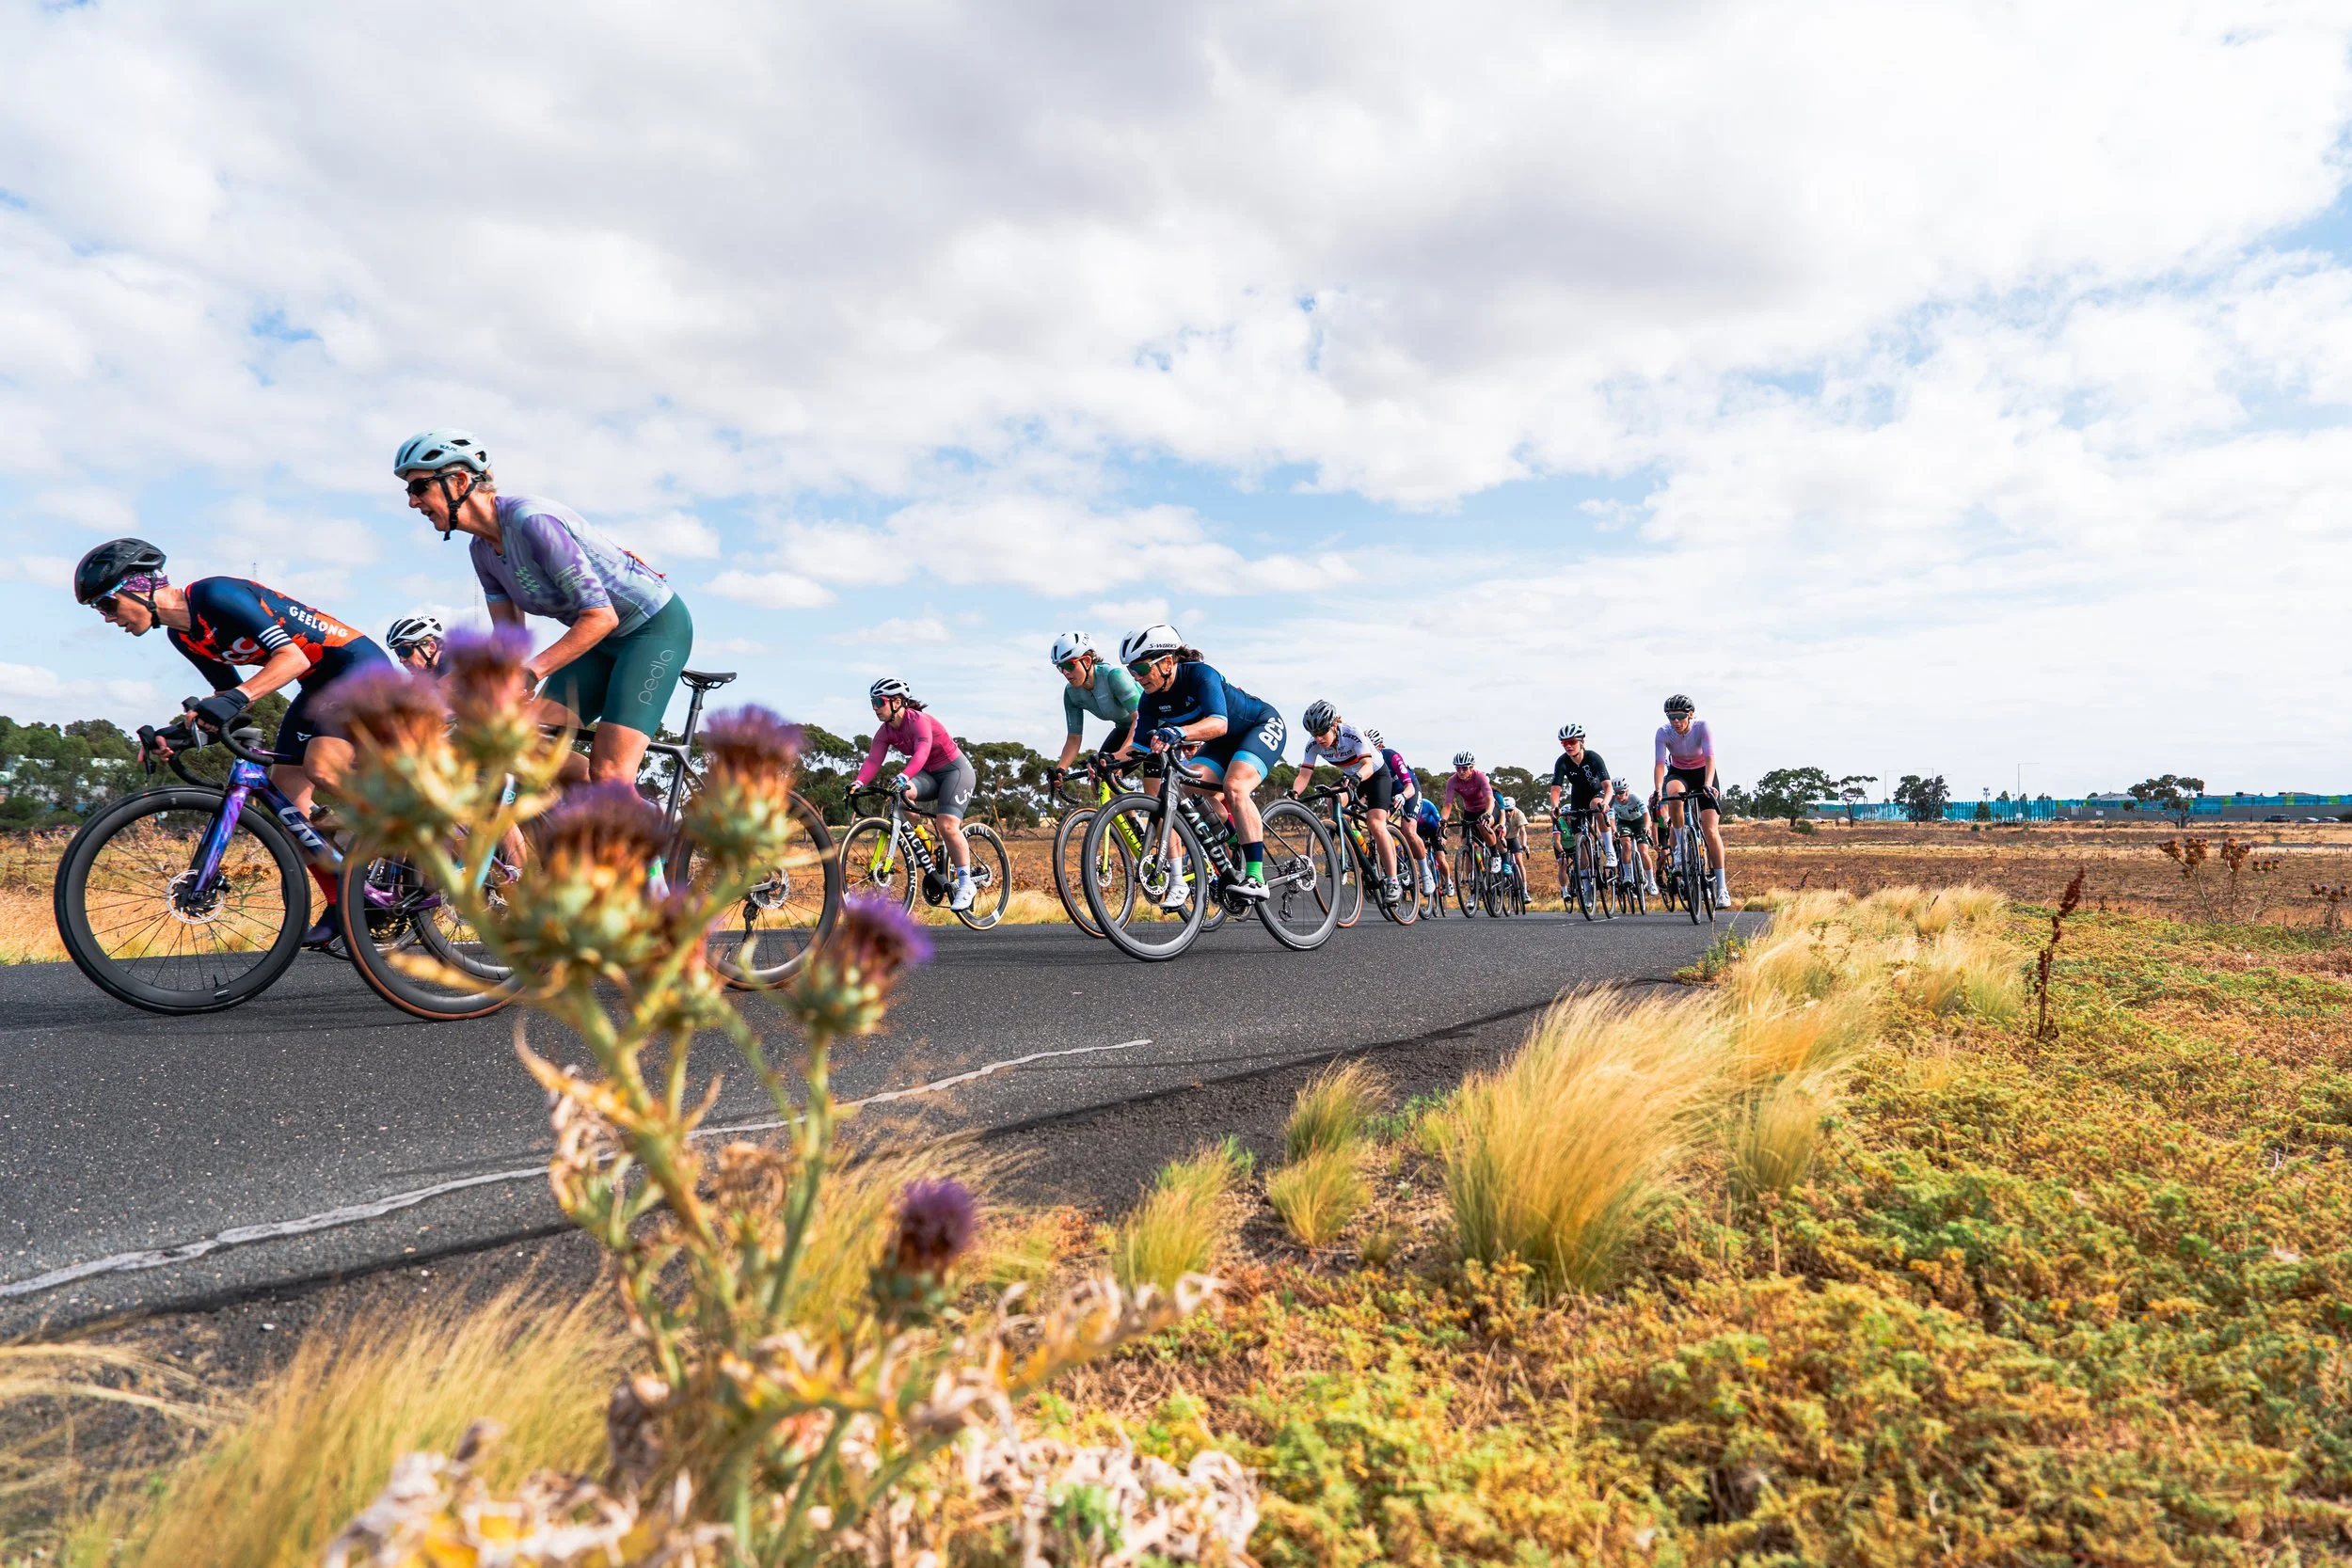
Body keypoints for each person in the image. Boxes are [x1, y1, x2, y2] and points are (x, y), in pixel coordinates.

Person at [73, 537, 393, 946]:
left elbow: (291, 660)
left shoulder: (215, 594)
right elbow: (233, 702)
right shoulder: (183, 637)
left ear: (137, 587)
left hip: (354, 663)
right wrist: (181, 733)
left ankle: (413, 829)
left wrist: (232, 701)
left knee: (321, 768)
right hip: (317, 682)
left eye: (106, 605)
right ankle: (345, 902)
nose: (105, 618)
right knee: (289, 801)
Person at [394, 429, 691, 788]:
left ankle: (651, 825)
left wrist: (531, 674)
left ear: (458, 481)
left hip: (651, 630)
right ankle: (594, 822)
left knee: (610, 771)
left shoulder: (531, 521)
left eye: (419, 488)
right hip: (597, 642)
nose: (413, 502)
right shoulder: (482, 551)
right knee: (529, 749)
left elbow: (602, 616)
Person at [1115, 624, 1285, 901]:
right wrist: (1108, 761)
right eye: (1131, 671)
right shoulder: (1148, 701)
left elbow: (1218, 723)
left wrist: (1179, 732)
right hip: (1222, 742)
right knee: (1185, 787)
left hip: (1258, 725)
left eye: (1142, 669)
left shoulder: (1200, 676)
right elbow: (1138, 747)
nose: (1137, 677)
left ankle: (1256, 876)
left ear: (1167, 662)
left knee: (1235, 786)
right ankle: (1232, 838)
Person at [856, 678, 979, 912]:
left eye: (878, 702)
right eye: (872, 702)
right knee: (901, 797)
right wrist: (858, 782)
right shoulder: (885, 732)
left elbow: (922, 753)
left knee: (947, 825)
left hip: (955, 772)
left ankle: (966, 884)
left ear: (897, 702)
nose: (874, 707)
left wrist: (904, 774)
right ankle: (922, 838)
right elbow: (873, 760)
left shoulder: (919, 721)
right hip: (929, 775)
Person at [1288, 701, 1403, 905]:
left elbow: (1367, 765)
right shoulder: (1313, 744)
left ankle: (1393, 881)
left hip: (1375, 775)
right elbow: (1304, 774)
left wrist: (1357, 777)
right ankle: (1347, 842)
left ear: (1333, 725)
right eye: (1314, 733)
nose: (1319, 738)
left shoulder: (1351, 733)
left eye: (1322, 731)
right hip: (1352, 776)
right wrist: (1295, 792)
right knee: (1332, 798)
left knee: (1375, 823)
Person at [1655, 693, 1731, 906]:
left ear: (1690, 715)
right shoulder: (1663, 733)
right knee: (1673, 793)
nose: (1676, 722)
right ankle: (1680, 849)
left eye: (1680, 716)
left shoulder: (1702, 727)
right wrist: (1657, 790)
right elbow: (1660, 764)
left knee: (1710, 831)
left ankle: (1722, 888)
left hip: (1703, 773)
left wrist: (1708, 784)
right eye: (1671, 717)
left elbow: (1710, 758)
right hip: (1680, 773)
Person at [1046, 631, 1139, 785]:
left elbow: (1139, 718)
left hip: (1153, 726)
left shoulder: (1114, 676)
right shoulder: (1071, 693)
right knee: (1099, 783)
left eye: (1070, 665)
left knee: (1147, 788)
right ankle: (1126, 810)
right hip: (1124, 729)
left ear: (1087, 661)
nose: (1065, 672)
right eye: (1060, 667)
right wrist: (1061, 770)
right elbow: (1074, 738)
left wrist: (1119, 757)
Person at [1364, 728, 1435, 895]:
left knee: (1409, 830)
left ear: (1380, 746)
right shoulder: (1366, 762)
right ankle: (1395, 863)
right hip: (1386, 793)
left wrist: (1403, 795)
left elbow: (1409, 786)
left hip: (1407, 790)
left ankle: (1425, 872)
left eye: (1372, 749)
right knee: (1376, 827)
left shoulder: (1391, 756)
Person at [1547, 724, 1616, 875]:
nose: (1568, 746)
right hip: (1578, 797)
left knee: (1595, 804)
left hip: (1598, 793)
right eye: (1564, 743)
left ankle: (1610, 851)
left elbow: (1608, 787)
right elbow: (1555, 790)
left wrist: (1605, 803)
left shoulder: (1593, 757)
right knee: (1579, 838)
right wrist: (1555, 807)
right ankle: (1586, 886)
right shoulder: (1562, 762)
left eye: (1572, 742)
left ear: (1582, 741)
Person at [1442, 752, 1502, 865]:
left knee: (1482, 824)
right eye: (1458, 768)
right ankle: (1474, 876)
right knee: (1467, 843)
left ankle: (1495, 856)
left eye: (1464, 768)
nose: (1461, 771)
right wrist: (1443, 820)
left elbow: (1489, 799)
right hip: (1470, 811)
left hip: (1487, 808)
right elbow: (1448, 805)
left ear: (1472, 767)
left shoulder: (1480, 776)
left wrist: (1488, 814)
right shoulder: (1452, 781)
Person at [1612, 778, 1661, 895]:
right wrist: (1614, 831)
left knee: (1643, 852)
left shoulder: (1635, 797)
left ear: (1627, 791)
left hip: (1639, 822)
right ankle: (1628, 875)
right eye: (1616, 793)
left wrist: (1647, 827)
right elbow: (1611, 819)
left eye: (1621, 792)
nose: (1619, 796)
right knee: (1626, 844)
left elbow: (1646, 814)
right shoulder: (1612, 801)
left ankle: (1651, 881)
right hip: (1624, 823)